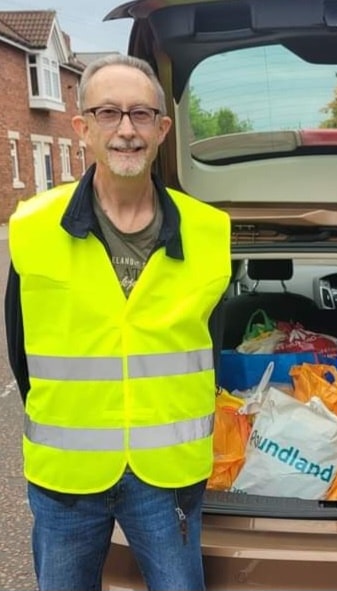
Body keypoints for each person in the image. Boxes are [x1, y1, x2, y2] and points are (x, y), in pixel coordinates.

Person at [4, 54, 232, 591]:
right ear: (81, 127)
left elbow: (211, 349)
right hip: (68, 477)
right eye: (108, 113)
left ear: (162, 130)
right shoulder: (33, 228)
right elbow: (20, 351)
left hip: (168, 476)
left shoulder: (209, 233)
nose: (126, 129)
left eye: (141, 114)